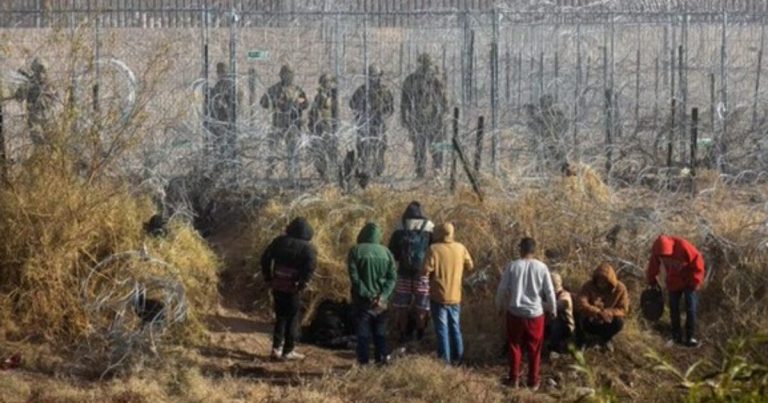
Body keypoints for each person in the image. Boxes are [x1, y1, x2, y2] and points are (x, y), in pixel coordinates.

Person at [495, 237, 556, 390]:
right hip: (535, 314)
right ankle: (533, 381)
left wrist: (499, 306)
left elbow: (502, 289)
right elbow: (549, 291)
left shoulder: (512, 266)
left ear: (520, 249)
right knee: (535, 348)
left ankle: (514, 379)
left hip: (515, 313)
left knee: (514, 346)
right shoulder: (542, 267)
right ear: (534, 250)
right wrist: (553, 308)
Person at [260, 217, 317, 361]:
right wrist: (302, 283)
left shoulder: (279, 241)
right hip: (293, 287)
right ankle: (288, 350)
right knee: (292, 318)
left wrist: (268, 277)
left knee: (280, 316)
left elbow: (265, 258)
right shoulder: (308, 248)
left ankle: (276, 348)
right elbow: (310, 267)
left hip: (277, 283)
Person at [348, 222, 397, 365]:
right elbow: (392, 278)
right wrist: (383, 296)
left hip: (362, 300)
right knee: (380, 333)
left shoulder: (355, 250)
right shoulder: (387, 252)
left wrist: (368, 294)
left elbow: (355, 278)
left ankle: (363, 363)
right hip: (382, 303)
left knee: (363, 334)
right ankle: (381, 361)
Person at [424, 222, 474, 365]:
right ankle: (459, 359)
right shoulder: (460, 248)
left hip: (438, 296)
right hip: (455, 296)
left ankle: (445, 362)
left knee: (442, 329)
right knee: (455, 327)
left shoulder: (433, 249)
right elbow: (470, 266)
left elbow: (425, 270)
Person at [388, 201, 435, 345]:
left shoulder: (400, 226)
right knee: (422, 306)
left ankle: (403, 334)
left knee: (402, 306)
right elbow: (433, 250)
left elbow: (392, 251)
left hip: (403, 272)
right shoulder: (429, 226)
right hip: (422, 273)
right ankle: (420, 335)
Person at [646, 235, 706, 347]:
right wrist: (652, 281)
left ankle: (690, 337)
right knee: (673, 308)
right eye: (662, 256)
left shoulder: (683, 246)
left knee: (690, 307)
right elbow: (653, 266)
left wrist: (696, 280)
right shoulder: (657, 250)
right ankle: (676, 336)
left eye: (666, 255)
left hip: (690, 279)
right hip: (674, 279)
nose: (664, 258)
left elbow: (698, 261)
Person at [401, 53, 448, 178]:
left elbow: (444, 99)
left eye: (426, 64)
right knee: (419, 147)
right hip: (418, 119)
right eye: (423, 64)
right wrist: (404, 118)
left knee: (436, 146)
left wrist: (443, 115)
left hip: (434, 119)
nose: (424, 67)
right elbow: (404, 101)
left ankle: (437, 169)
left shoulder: (435, 80)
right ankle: (421, 171)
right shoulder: (411, 80)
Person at [260, 64, 308, 180]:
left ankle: (292, 174)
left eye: (290, 74)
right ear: (281, 75)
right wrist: (276, 102)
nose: (289, 76)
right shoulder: (275, 89)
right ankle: (270, 171)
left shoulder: (297, 90)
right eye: (286, 74)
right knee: (273, 149)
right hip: (279, 123)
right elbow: (263, 102)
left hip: (292, 124)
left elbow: (305, 104)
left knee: (292, 150)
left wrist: (298, 103)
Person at [350, 64, 394, 178]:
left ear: (379, 76)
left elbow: (390, 108)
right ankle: (364, 169)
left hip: (379, 123)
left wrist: (382, 113)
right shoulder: (361, 90)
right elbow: (352, 104)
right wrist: (362, 113)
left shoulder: (384, 91)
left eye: (375, 76)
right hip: (365, 123)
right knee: (363, 147)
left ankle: (378, 169)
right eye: (371, 76)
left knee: (380, 146)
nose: (373, 78)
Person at [575, 263, 629, 352]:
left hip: (608, 320)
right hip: (591, 318)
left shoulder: (620, 289)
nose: (601, 283)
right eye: (599, 280)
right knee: (578, 314)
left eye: (604, 281)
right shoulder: (588, 286)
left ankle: (606, 338)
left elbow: (623, 309)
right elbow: (581, 302)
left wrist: (609, 312)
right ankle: (583, 339)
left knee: (619, 322)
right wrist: (596, 312)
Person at [11, 58, 55, 146]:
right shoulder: (30, 84)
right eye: (38, 71)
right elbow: (19, 97)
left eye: (42, 71)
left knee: (50, 142)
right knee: (40, 143)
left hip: (47, 118)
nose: (41, 74)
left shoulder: (49, 85)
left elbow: (55, 99)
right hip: (37, 118)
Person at [308, 73, 339, 182]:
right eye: (325, 82)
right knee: (321, 153)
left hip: (330, 127)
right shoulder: (320, 96)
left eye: (329, 82)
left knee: (331, 152)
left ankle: (332, 174)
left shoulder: (332, 95)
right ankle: (324, 174)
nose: (328, 84)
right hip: (322, 127)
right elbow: (316, 110)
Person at [207, 62, 238, 170]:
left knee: (225, 144)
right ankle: (221, 166)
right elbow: (214, 101)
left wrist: (225, 104)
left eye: (222, 72)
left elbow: (235, 103)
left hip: (227, 119)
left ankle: (227, 166)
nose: (220, 74)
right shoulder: (219, 85)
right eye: (219, 72)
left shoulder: (230, 85)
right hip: (219, 119)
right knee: (219, 144)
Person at [544, 273, 575, 355]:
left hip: (565, 326)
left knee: (557, 323)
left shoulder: (564, 295)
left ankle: (555, 349)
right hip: (548, 323)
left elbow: (561, 305)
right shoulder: (546, 294)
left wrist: (540, 305)